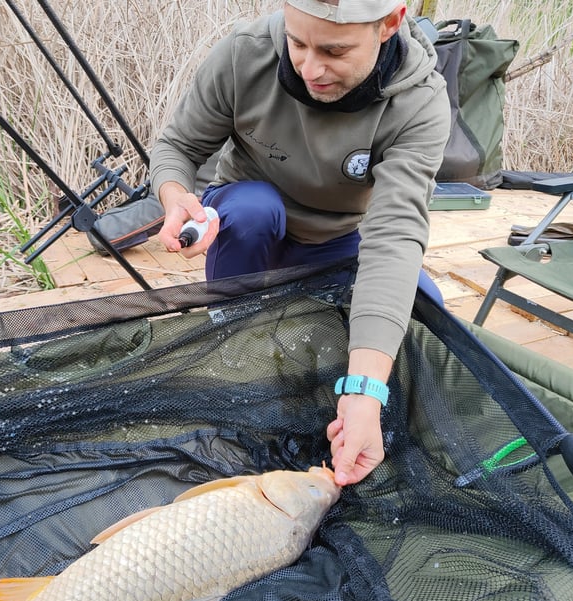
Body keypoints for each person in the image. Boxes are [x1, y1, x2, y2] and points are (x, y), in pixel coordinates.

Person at [150, 0, 451, 486]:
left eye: (334, 50)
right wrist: (176, 197)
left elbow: (394, 236)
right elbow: (177, 147)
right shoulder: (242, 56)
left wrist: (364, 389)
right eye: (297, 42)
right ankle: (234, 344)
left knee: (424, 303)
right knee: (252, 209)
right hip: (250, 223)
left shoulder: (419, 103)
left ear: (389, 24)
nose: (310, 68)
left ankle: (376, 424)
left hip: (338, 239)